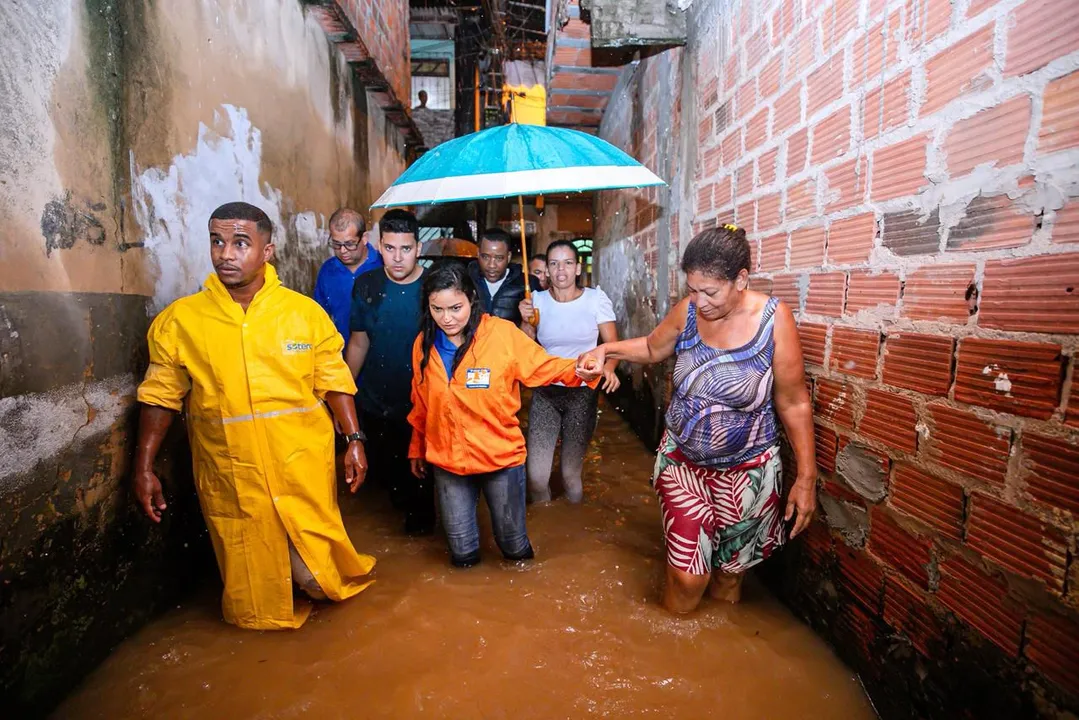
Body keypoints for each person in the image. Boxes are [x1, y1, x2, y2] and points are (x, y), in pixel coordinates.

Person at [133, 202, 375, 630]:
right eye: (218, 241)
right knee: (254, 593)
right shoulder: (182, 321)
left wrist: (354, 441)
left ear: (268, 250)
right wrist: (144, 465)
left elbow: (334, 382)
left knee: (319, 581)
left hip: (298, 465)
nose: (227, 253)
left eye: (241, 243)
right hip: (232, 472)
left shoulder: (303, 315)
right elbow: (160, 396)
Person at [576, 224, 816, 614]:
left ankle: (712, 657)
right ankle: (671, 650)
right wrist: (606, 350)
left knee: (729, 576)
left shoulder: (774, 319)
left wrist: (806, 478)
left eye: (710, 291)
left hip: (749, 472)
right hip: (683, 464)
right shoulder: (688, 311)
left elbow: (793, 403)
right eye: (692, 289)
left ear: (741, 279)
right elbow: (654, 347)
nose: (700, 302)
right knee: (688, 577)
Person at [407, 264, 599, 568]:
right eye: (437, 309)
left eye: (456, 308)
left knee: (513, 546)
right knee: (462, 553)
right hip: (448, 460)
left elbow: (542, 366)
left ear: (471, 299)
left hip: (500, 458)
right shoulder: (423, 345)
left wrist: (580, 369)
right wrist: (417, 446)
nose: (447, 318)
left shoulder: (500, 334)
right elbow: (421, 402)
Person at [345, 209, 435, 535]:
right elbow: (358, 342)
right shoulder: (367, 285)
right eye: (390, 248)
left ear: (419, 249)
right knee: (387, 492)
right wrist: (342, 393)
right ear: (378, 246)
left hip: (420, 408)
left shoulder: (434, 288)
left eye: (406, 249)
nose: (397, 258)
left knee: (421, 498)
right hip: (375, 404)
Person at [518, 240, 620, 503]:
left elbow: (612, 346)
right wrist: (525, 320)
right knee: (536, 477)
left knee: (569, 475)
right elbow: (525, 350)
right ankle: (547, 532)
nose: (560, 270)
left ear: (578, 268)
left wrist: (609, 369)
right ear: (547, 271)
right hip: (545, 392)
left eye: (567, 263)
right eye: (553, 264)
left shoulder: (595, 299)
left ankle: (577, 530)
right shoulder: (535, 301)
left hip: (582, 393)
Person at [314, 208, 383, 345]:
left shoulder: (383, 265)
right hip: (339, 355)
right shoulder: (327, 271)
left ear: (364, 238)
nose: (343, 250)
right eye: (336, 244)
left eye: (350, 244)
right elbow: (319, 317)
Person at [467, 228, 528, 325]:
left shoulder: (526, 284)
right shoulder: (466, 281)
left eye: (499, 258)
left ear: (508, 257)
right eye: (486, 257)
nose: (491, 265)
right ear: (478, 254)